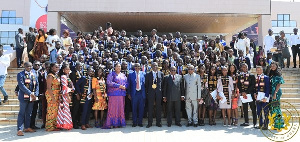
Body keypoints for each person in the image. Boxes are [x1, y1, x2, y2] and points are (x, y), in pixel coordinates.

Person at [16, 62, 39, 136]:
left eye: (30, 66)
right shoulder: (20, 74)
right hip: (24, 97)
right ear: (24, 66)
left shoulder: (34, 74)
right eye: (27, 66)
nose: (29, 68)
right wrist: (30, 93)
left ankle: (27, 127)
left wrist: (36, 94)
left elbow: (37, 84)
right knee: (22, 113)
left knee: (29, 113)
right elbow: (21, 85)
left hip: (32, 97)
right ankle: (19, 129)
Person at [103, 63, 127, 128]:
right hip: (113, 94)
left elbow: (126, 82)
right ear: (114, 67)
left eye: (119, 66)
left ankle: (120, 123)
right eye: (117, 66)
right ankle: (113, 123)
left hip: (121, 94)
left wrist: (125, 86)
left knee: (120, 109)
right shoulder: (111, 74)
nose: (118, 67)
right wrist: (119, 86)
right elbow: (109, 82)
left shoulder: (123, 75)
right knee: (113, 109)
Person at [237, 63, 257, 127]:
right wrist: (242, 92)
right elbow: (238, 85)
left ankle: (255, 122)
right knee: (245, 108)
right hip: (243, 95)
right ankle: (246, 122)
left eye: (245, 67)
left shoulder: (251, 75)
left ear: (247, 67)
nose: (244, 68)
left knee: (253, 108)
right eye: (242, 67)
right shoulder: (239, 76)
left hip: (250, 94)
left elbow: (253, 85)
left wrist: (246, 92)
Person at [145, 62, 164, 128]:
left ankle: (158, 122)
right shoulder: (148, 74)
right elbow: (146, 85)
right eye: (153, 66)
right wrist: (148, 92)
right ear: (151, 67)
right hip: (151, 93)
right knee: (150, 108)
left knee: (158, 108)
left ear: (158, 66)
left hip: (158, 93)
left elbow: (162, 84)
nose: (155, 67)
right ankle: (149, 123)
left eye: (156, 66)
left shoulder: (161, 73)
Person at [128, 63, 146, 127]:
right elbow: (129, 85)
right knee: (134, 108)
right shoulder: (130, 75)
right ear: (134, 67)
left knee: (141, 109)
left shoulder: (144, 74)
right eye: (136, 66)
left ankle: (140, 122)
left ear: (140, 67)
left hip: (141, 93)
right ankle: (134, 122)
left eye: (138, 66)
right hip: (134, 94)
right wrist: (129, 94)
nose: (137, 68)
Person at [268, 62, 285, 130]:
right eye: (271, 66)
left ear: (276, 66)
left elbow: (278, 84)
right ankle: (275, 122)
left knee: (276, 108)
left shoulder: (278, 74)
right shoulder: (271, 74)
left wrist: (275, 93)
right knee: (272, 108)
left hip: (276, 92)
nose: (272, 67)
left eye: (274, 66)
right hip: (272, 92)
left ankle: (279, 124)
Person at [57, 64, 74, 130]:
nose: (68, 70)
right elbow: (64, 88)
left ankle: (64, 124)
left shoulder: (67, 76)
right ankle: (64, 125)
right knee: (65, 110)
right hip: (65, 95)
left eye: (69, 69)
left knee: (65, 110)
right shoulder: (63, 76)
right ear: (63, 70)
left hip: (67, 94)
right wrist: (68, 96)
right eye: (66, 69)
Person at [45, 63, 60, 131]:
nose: (57, 68)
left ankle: (54, 125)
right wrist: (53, 98)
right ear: (51, 68)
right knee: (51, 110)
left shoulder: (56, 75)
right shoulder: (50, 76)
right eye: (56, 67)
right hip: (51, 94)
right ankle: (49, 126)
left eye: (58, 67)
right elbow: (48, 88)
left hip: (56, 94)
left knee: (55, 110)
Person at [254, 66, 270, 130]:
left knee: (265, 110)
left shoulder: (266, 77)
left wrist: (266, 97)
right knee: (259, 111)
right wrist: (255, 93)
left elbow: (268, 88)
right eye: (257, 70)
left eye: (259, 70)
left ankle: (266, 124)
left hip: (264, 96)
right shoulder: (256, 78)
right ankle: (260, 124)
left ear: (262, 70)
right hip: (258, 96)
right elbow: (256, 88)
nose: (258, 71)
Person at [30, 61, 41, 129]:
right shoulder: (29, 72)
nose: (37, 66)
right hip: (30, 94)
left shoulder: (40, 73)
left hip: (37, 95)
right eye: (36, 64)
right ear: (33, 65)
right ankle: (28, 125)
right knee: (29, 111)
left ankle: (33, 125)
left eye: (38, 65)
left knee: (34, 110)